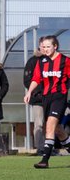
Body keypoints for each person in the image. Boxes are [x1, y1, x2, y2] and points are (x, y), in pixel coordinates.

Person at [24, 35, 68, 169]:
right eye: (44, 47)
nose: (46, 49)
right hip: (46, 98)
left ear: (55, 46)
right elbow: (36, 78)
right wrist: (29, 92)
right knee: (58, 130)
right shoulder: (42, 61)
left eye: (49, 46)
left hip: (59, 97)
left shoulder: (65, 61)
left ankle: (45, 160)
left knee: (49, 126)